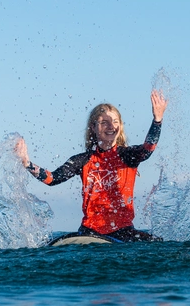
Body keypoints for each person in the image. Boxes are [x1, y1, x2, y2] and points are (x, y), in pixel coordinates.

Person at [14, 90, 168, 242]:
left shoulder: (128, 156)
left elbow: (148, 148)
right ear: (93, 127)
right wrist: (26, 163)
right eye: (104, 122)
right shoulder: (83, 160)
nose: (110, 126)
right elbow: (52, 178)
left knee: (158, 243)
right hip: (90, 232)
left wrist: (157, 120)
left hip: (123, 232)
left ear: (120, 126)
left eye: (115, 121)